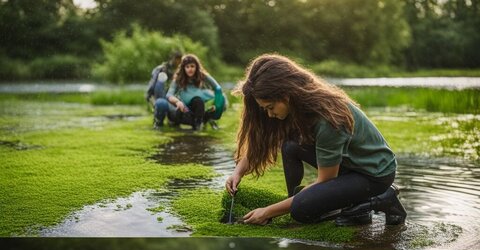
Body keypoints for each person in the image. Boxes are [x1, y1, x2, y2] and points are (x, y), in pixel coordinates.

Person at [225, 54, 407, 227]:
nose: (269, 114)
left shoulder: (327, 119)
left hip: (374, 174)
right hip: (349, 165)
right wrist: (237, 173)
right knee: (290, 146)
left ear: (286, 95)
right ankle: (337, 205)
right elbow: (263, 140)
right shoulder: (295, 107)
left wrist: (268, 212)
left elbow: (325, 179)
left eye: (270, 107)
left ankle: (381, 199)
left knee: (301, 210)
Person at [165, 54, 225, 131]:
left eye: (192, 66)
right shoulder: (178, 79)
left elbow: (217, 87)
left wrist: (219, 101)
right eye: (187, 67)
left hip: (198, 108)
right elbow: (169, 95)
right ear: (183, 68)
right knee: (180, 114)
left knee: (198, 101)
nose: (190, 69)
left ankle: (199, 125)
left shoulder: (202, 75)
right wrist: (177, 102)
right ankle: (194, 124)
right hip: (184, 109)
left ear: (196, 67)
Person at [145, 51, 183, 128]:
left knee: (175, 123)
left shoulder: (182, 71)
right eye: (176, 59)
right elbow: (152, 85)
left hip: (175, 99)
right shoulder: (160, 69)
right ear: (172, 58)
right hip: (161, 97)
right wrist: (150, 97)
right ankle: (159, 122)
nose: (178, 61)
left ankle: (173, 121)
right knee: (161, 105)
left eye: (179, 60)